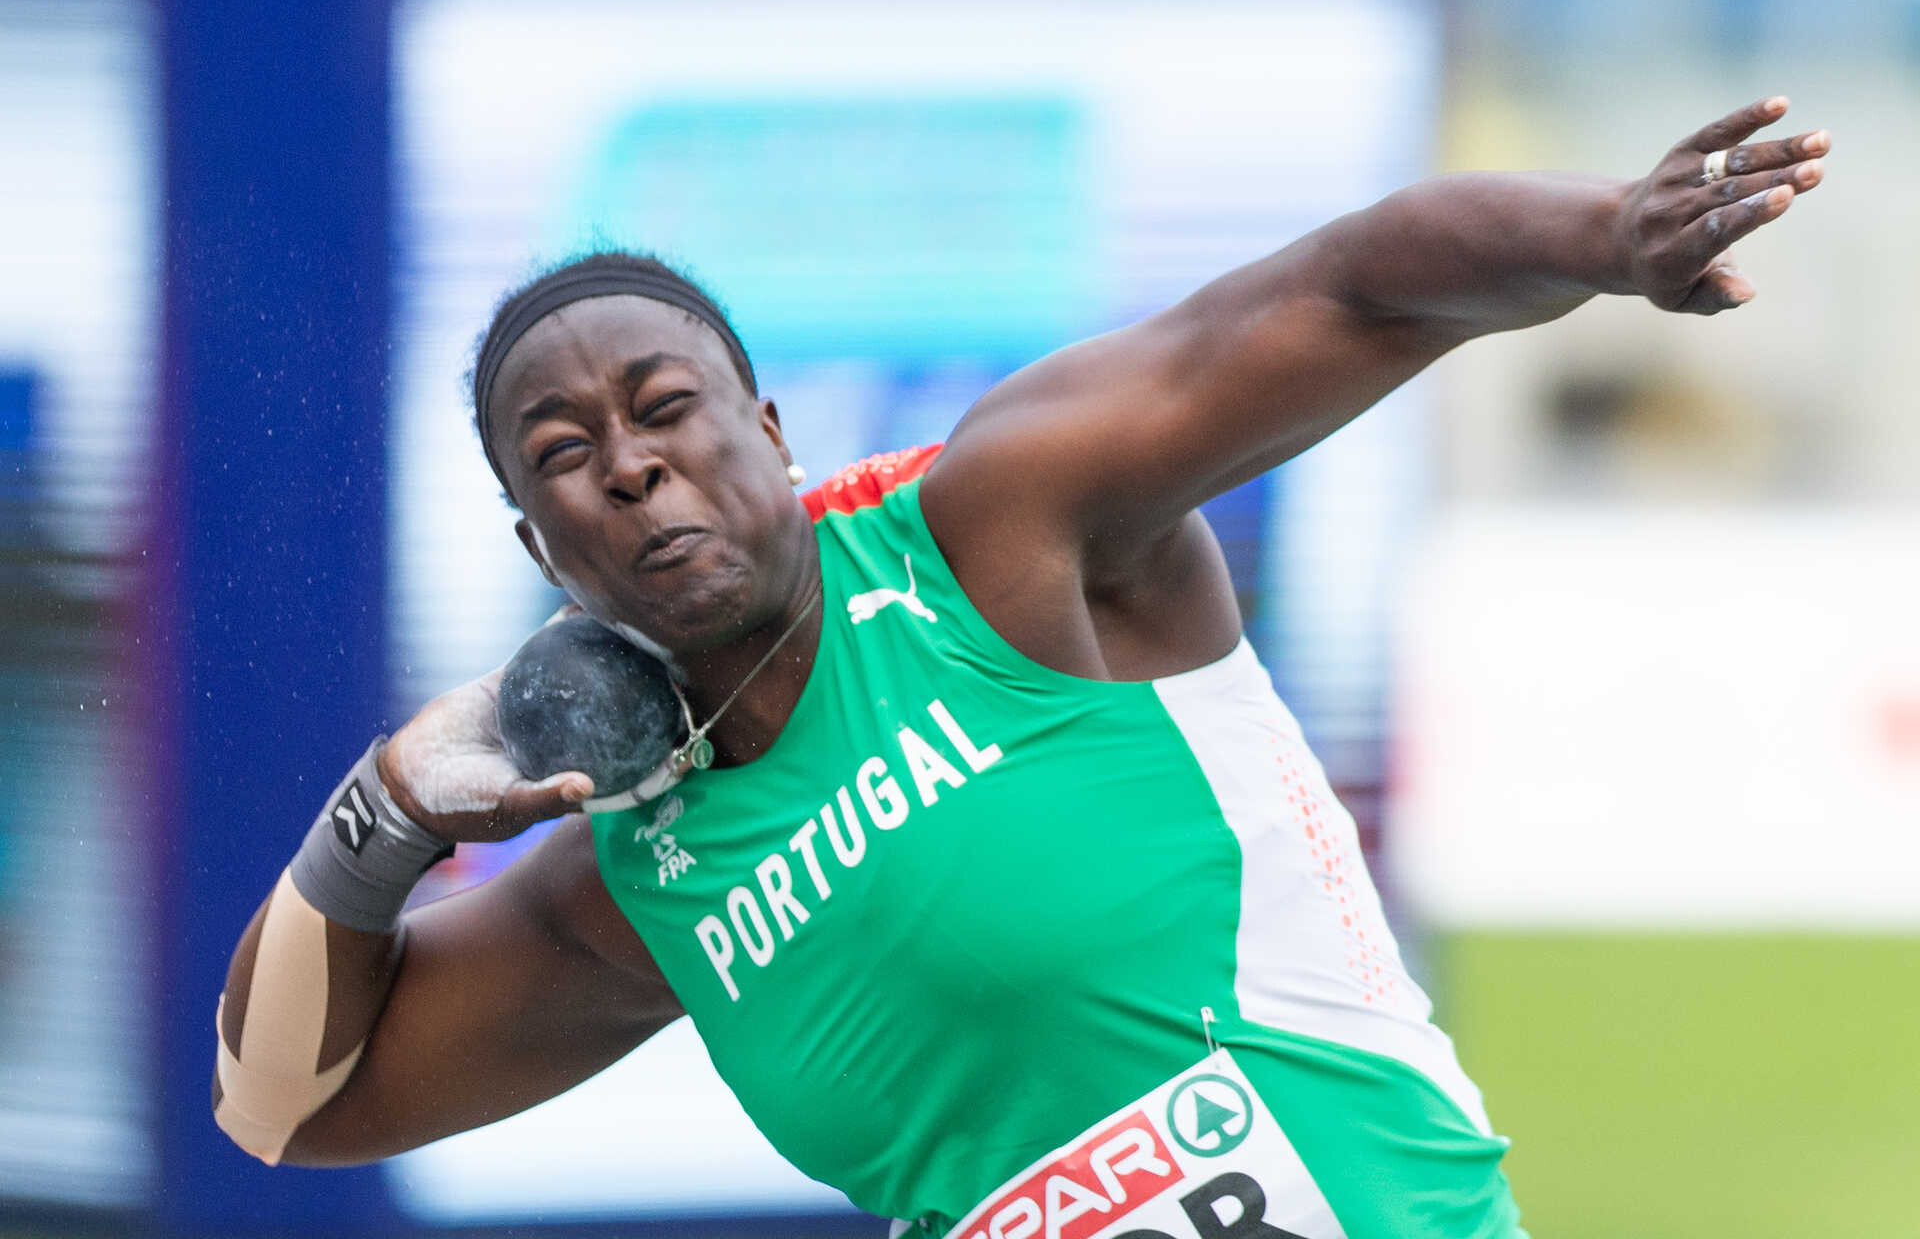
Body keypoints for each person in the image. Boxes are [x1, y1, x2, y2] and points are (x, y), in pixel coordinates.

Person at [212, 98, 1828, 1238]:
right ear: (536, 546)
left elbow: (1348, 283)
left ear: (768, 433)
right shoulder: (641, 877)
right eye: (564, 451)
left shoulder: (996, 532)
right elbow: (282, 1107)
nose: (628, 465)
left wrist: (1608, 234)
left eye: (663, 406)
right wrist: (385, 816)